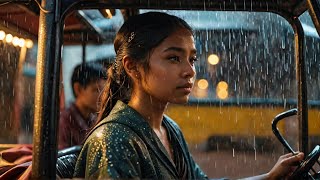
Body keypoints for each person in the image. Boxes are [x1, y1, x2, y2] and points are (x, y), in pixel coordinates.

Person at [73, 12, 304, 179]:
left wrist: (269, 177)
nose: (190, 71)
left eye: (191, 59)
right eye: (174, 58)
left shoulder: (169, 129)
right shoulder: (114, 140)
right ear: (132, 67)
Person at [58, 63, 107, 150]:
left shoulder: (94, 118)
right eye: (96, 90)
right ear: (78, 89)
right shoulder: (64, 121)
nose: (102, 96)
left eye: (104, 91)